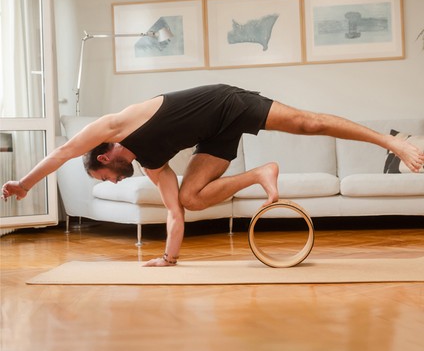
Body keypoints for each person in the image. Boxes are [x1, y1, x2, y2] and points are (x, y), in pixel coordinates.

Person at [2, 84, 423, 266]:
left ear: (104, 154)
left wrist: (25, 183)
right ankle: (261, 173)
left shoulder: (116, 125)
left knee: (307, 124)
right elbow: (175, 213)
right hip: (214, 136)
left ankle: (391, 144)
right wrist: (169, 259)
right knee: (190, 197)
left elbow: (61, 152)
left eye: (104, 176)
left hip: (226, 104)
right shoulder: (153, 166)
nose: (112, 182)